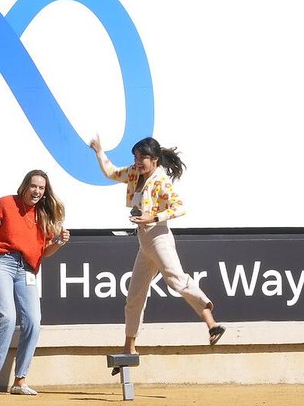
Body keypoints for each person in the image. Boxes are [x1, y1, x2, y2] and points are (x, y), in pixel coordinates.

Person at [88, 136, 225, 369]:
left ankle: (212, 324)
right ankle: (129, 348)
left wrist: (153, 217)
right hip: (145, 242)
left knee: (176, 279)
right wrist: (99, 151)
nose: (138, 161)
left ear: (155, 159)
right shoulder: (134, 173)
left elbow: (179, 207)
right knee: (135, 296)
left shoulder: (161, 181)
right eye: (136, 157)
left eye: (143, 157)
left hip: (159, 238)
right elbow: (111, 172)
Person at [0, 169, 70, 396]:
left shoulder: (43, 215)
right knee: (7, 316)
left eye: (41, 188)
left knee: (33, 321)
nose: (37, 191)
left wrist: (58, 242)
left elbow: (44, 252)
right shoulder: (6, 203)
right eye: (33, 186)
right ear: (25, 186)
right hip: (1, 262)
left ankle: (20, 381)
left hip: (26, 269)